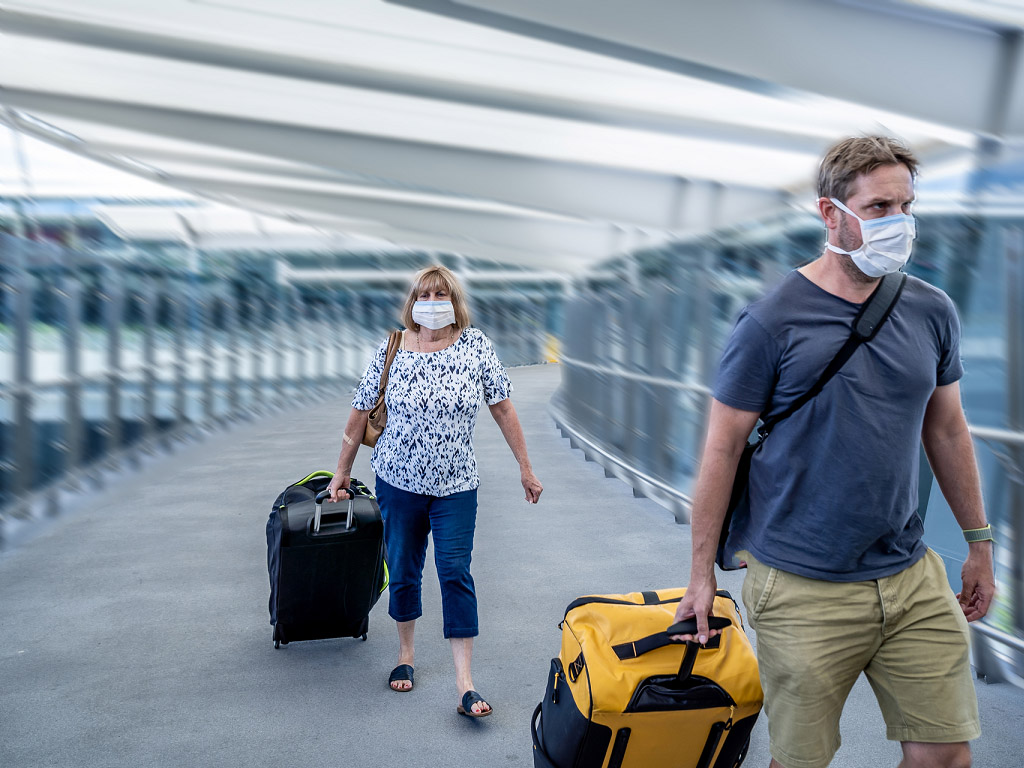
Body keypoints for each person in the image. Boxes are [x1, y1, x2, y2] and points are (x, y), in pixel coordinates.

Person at [672, 136, 996, 768]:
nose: (899, 223)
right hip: (801, 586)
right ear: (830, 213)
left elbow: (948, 431)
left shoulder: (931, 309)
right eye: (879, 208)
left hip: (910, 573)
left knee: (945, 756)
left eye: (906, 206)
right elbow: (722, 449)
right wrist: (700, 576)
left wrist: (979, 543)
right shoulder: (770, 321)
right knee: (801, 762)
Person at [325, 264, 543, 718]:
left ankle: (465, 683)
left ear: (454, 302)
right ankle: (405, 654)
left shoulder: (475, 346)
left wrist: (525, 467)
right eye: (424, 295)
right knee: (404, 567)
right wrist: (341, 471)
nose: (432, 302)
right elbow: (359, 411)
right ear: (412, 303)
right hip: (398, 482)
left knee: (455, 571)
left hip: (456, 485)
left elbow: (503, 408)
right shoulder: (392, 347)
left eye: (441, 294)